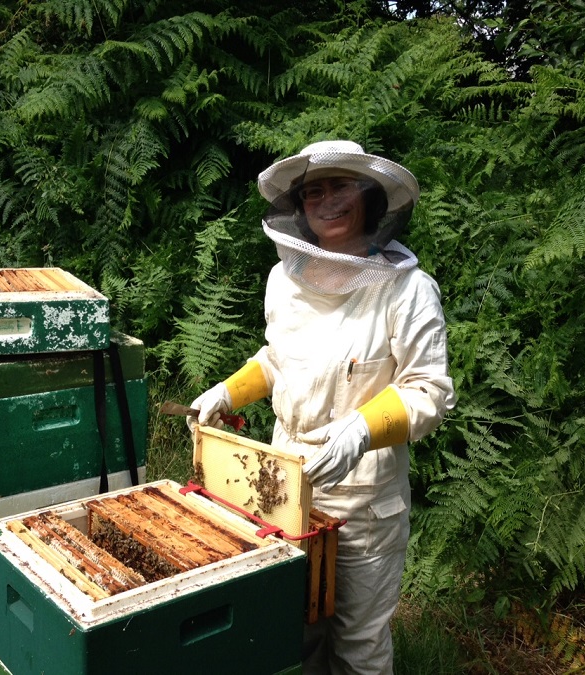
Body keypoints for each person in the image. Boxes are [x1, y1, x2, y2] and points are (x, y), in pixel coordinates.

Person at [187, 140, 456, 674]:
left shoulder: (409, 291)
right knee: (293, 632)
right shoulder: (284, 281)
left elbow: (429, 391)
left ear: (371, 198)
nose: (326, 201)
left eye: (340, 187)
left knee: (358, 645)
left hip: (365, 502)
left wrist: (362, 428)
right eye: (314, 191)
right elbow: (278, 359)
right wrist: (229, 390)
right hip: (284, 485)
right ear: (299, 207)